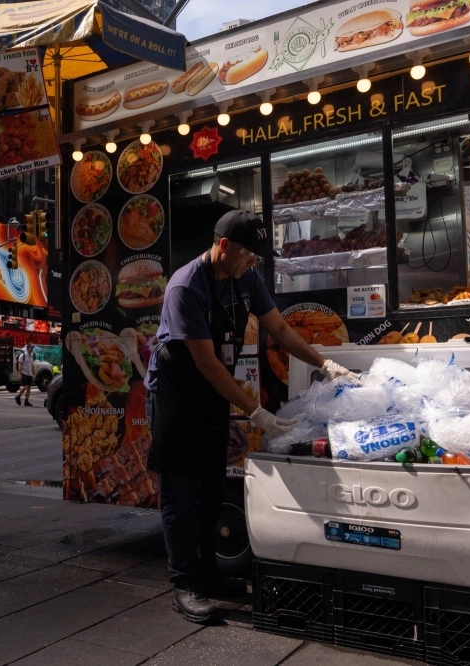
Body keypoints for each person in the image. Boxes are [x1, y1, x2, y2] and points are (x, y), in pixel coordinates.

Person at [145, 210, 358, 624]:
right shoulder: (185, 286)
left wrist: (324, 363)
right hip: (176, 394)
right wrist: (255, 411)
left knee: (211, 489)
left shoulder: (246, 278)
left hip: (211, 393)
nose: (252, 264)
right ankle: (184, 584)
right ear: (224, 247)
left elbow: (279, 328)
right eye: (247, 255)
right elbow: (205, 362)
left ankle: (207, 573)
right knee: (182, 493)